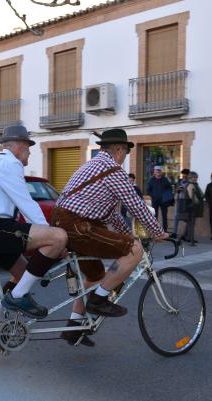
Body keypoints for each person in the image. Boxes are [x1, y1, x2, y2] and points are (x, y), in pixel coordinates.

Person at [51, 128, 169, 346]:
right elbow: (135, 205)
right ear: (118, 149)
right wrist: (157, 231)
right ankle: (98, 300)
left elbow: (111, 214)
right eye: (125, 152)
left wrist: (126, 234)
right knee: (134, 250)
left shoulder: (93, 165)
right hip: (79, 225)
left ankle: (74, 327)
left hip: (65, 222)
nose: (125, 157)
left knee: (95, 276)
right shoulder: (112, 170)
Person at [0, 125, 68, 320]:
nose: (29, 153)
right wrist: (50, 235)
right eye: (28, 148)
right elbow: (26, 204)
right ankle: (18, 298)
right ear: (20, 146)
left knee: (23, 278)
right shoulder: (9, 164)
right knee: (58, 237)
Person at [146, 166, 172, 232]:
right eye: (157, 172)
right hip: (155, 201)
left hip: (164, 201)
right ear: (154, 172)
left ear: (161, 172)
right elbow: (148, 190)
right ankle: (155, 230)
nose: (158, 173)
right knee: (155, 216)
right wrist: (153, 195)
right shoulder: (151, 180)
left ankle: (165, 230)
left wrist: (167, 197)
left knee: (164, 216)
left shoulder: (165, 180)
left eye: (159, 171)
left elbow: (169, 189)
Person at [183, 171, 204, 246]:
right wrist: (196, 201)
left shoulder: (194, 184)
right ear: (190, 178)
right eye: (194, 177)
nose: (195, 179)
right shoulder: (190, 185)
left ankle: (186, 236)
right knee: (191, 223)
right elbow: (192, 196)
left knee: (190, 222)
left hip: (193, 207)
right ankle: (190, 238)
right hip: (191, 207)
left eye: (196, 177)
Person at [170, 168, 190, 238]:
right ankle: (174, 233)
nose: (184, 176)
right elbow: (175, 191)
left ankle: (185, 234)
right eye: (183, 175)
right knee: (176, 217)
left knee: (187, 218)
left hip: (186, 201)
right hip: (178, 201)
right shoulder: (179, 181)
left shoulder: (190, 183)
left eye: (185, 175)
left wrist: (185, 190)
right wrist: (177, 190)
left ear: (188, 175)